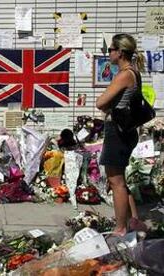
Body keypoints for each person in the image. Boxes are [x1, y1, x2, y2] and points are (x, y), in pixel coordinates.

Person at [96, 33, 147, 236]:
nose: (108, 53)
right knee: (121, 180)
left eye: (110, 50)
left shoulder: (124, 74)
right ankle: (133, 221)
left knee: (115, 182)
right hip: (126, 131)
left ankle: (120, 228)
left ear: (119, 52)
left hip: (117, 131)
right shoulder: (134, 72)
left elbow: (100, 102)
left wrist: (107, 104)